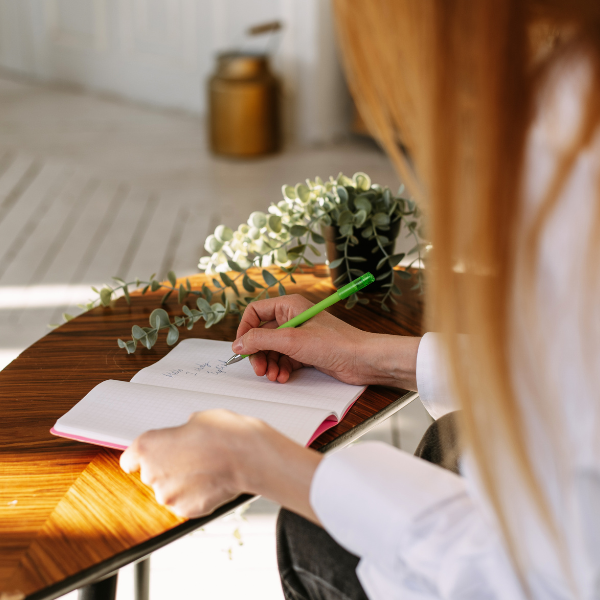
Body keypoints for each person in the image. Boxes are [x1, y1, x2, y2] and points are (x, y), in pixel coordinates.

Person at [120, 1, 600, 598]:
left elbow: (543, 576)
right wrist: (370, 355)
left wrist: (260, 463)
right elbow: (570, 371)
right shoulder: (571, 94)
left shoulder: (573, 143)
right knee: (451, 440)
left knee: (310, 530)